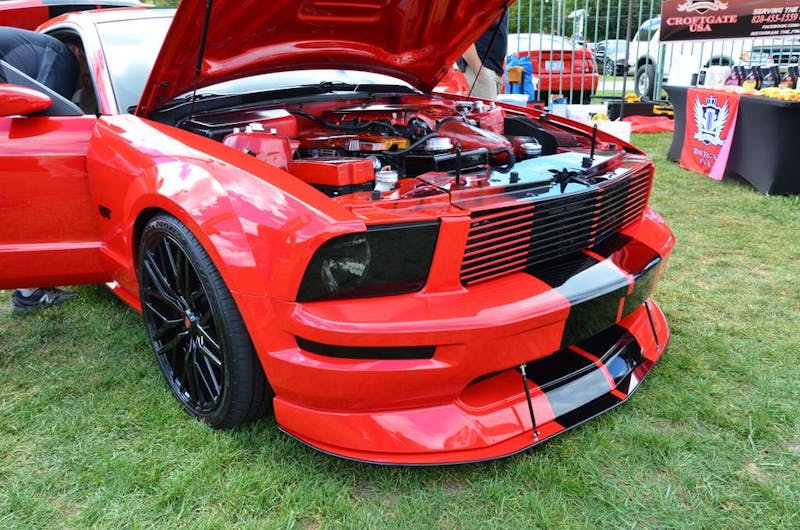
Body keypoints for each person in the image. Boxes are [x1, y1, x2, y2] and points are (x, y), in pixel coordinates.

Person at [1, 27, 81, 312]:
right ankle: (30, 293)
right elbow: (44, 117)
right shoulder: (63, 57)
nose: (80, 81)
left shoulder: (32, 48)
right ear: (77, 50)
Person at [461, 12, 508, 100]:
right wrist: (481, 73)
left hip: (491, 71)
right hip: (479, 71)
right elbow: (462, 34)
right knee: (486, 112)